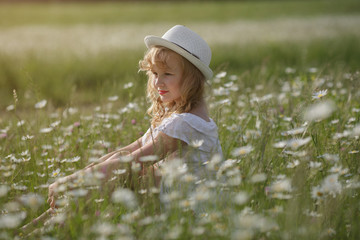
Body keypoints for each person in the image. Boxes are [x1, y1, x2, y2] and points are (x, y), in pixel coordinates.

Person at [22, 25, 222, 233]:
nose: (157, 82)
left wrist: (71, 181)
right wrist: (82, 173)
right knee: (121, 166)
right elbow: (126, 151)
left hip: (191, 213)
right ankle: (43, 224)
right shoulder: (181, 114)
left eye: (167, 74)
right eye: (154, 73)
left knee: (128, 172)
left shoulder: (187, 124)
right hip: (171, 198)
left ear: (191, 79)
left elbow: (132, 161)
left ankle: (48, 229)